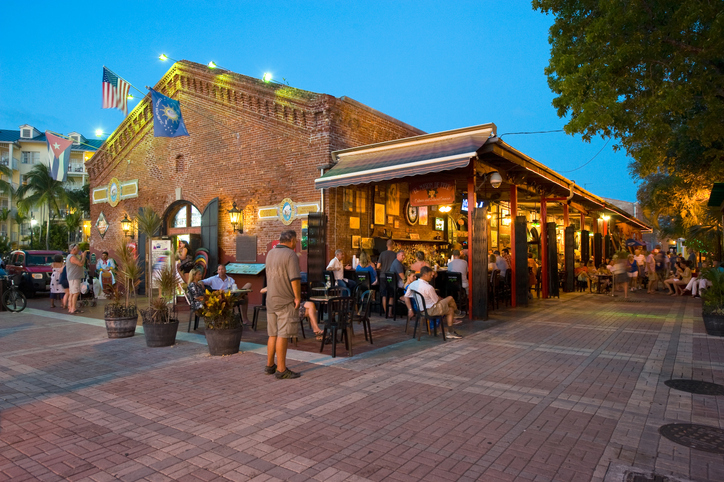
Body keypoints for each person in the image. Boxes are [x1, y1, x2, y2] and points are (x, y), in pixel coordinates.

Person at [265, 229, 302, 379]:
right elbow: (295, 279)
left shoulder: (270, 253)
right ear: (292, 240)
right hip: (285, 300)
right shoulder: (290, 255)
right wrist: (298, 297)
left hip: (271, 299)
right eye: (296, 240)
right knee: (283, 335)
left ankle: (269, 365)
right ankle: (281, 369)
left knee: (272, 334)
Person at [403, 266, 464, 339]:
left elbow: (406, 296)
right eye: (430, 275)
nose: (432, 276)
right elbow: (436, 301)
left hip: (421, 310)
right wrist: (441, 299)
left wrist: (410, 309)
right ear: (425, 275)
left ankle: (453, 324)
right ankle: (456, 313)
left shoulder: (413, 284)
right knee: (450, 299)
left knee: (450, 309)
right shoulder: (428, 287)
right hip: (431, 310)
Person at [377, 239, 397, 315]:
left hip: (382, 276)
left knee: (384, 294)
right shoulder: (395, 254)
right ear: (393, 245)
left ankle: (385, 312)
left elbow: (378, 266)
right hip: (391, 276)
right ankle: (390, 312)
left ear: (386, 245)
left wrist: (383, 268)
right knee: (391, 295)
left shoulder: (382, 254)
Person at [66, 244, 87, 314]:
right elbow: (81, 263)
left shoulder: (72, 256)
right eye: (77, 249)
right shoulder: (72, 257)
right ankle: (73, 308)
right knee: (75, 293)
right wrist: (84, 257)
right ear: (73, 249)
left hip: (73, 277)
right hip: (74, 277)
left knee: (72, 293)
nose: (78, 251)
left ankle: (71, 307)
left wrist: (81, 256)